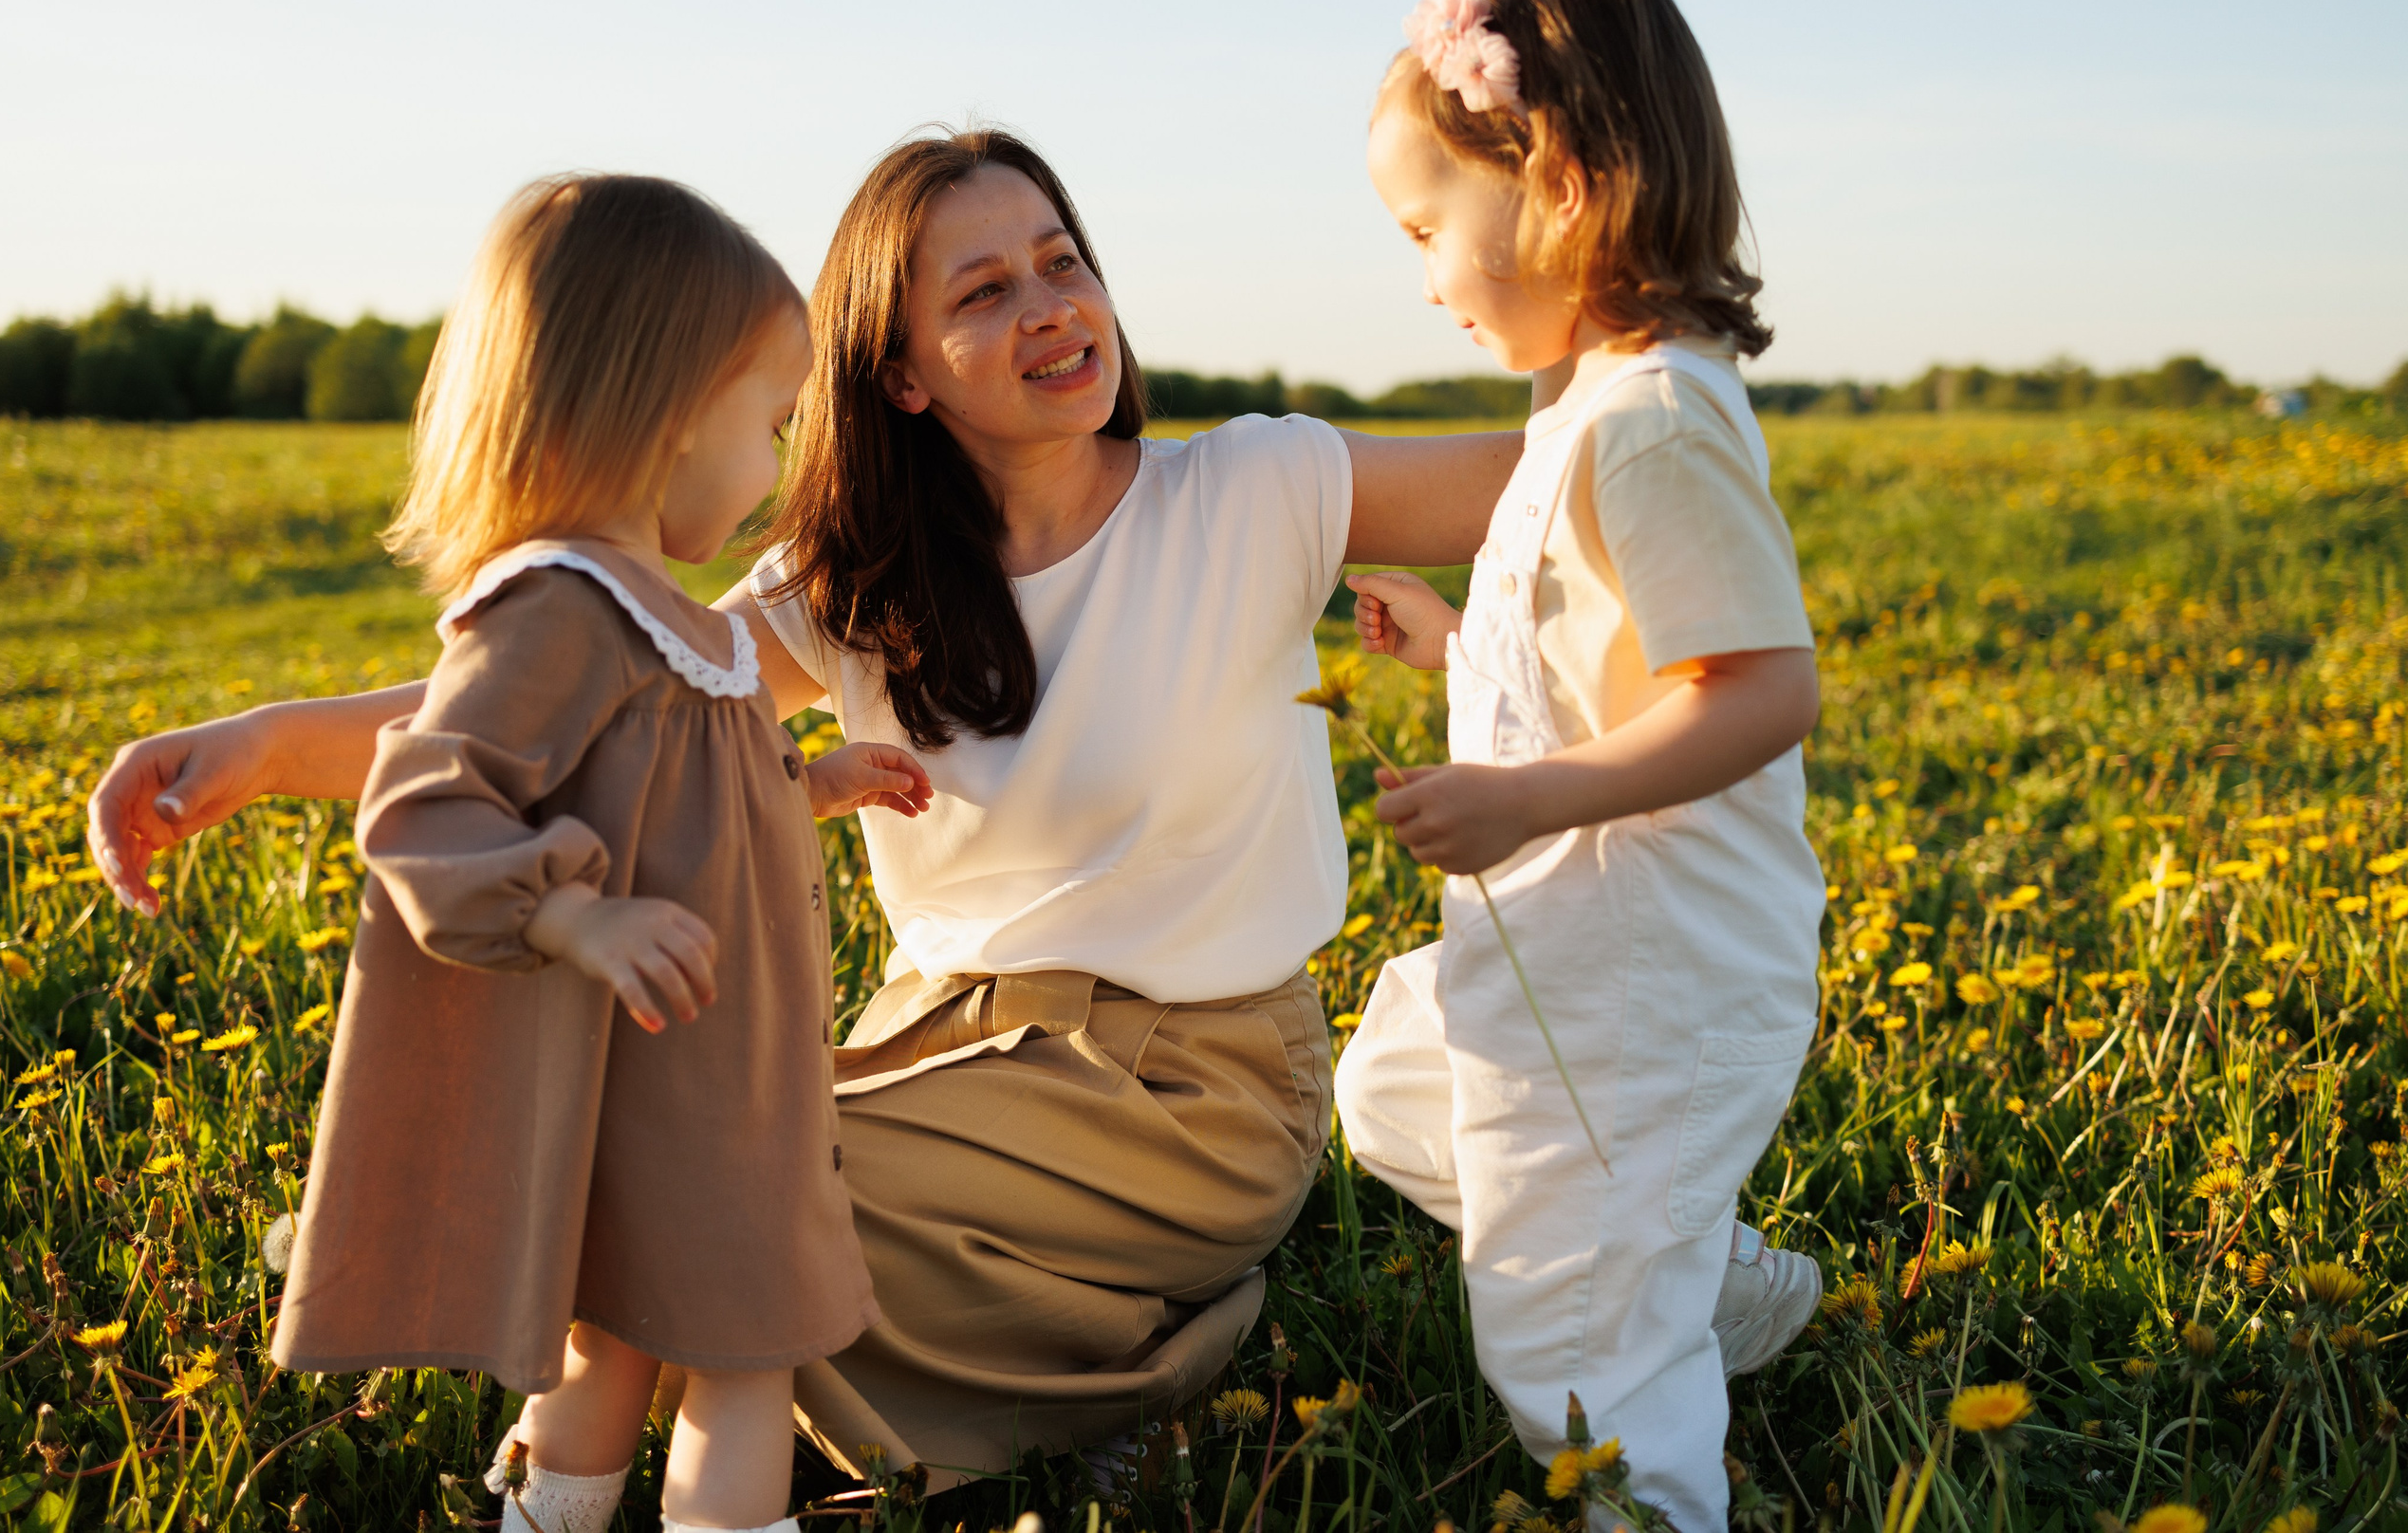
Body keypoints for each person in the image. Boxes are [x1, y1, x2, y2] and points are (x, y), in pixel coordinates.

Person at [89, 129, 1819, 1495]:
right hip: (935, 1054)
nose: (1051, 305)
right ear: (903, 372)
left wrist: (1616, 254)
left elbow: (1583, 457)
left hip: (1201, 1082)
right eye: (982, 292)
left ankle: (1125, 1360)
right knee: (677, 1165)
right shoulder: (854, 587)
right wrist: (251, 747)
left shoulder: (1257, 490)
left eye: (1063, 261)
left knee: (717, 1212)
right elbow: (530, 701)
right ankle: (760, 1381)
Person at [265, 173, 926, 1533]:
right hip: (670, 1094)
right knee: (740, 1360)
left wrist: (808, 788)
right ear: (676, 417)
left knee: (618, 1337)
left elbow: (679, 815)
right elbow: (423, 807)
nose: (784, 461)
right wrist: (570, 920)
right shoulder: (556, 604)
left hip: (714, 1081)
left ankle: (545, 1519)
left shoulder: (664, 616)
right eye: (772, 421)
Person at [1336, 0, 1825, 1531]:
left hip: (1646, 968)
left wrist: (1530, 795)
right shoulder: (1589, 408)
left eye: (1428, 233)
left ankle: (1651, 1454)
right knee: (1398, 1093)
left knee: (1563, 1339)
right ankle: (1694, 1271)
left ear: (1550, 181)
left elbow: (1757, 690)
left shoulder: (1658, 423)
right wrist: (1460, 642)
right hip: (1562, 942)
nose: (1425, 281)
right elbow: (1595, 649)